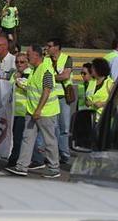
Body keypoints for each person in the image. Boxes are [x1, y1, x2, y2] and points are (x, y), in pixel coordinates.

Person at [6, 44, 61, 179]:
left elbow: (46, 91)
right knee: (27, 138)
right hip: (32, 111)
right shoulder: (35, 69)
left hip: (45, 112)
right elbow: (33, 89)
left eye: (29, 54)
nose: (27, 56)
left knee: (49, 140)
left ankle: (54, 167)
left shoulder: (45, 70)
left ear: (36, 55)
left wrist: (39, 109)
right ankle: (22, 166)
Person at [45, 38, 71, 166]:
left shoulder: (67, 58)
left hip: (64, 96)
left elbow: (66, 75)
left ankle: (64, 153)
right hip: (52, 96)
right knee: (53, 127)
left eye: (49, 46)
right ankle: (54, 153)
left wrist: (51, 77)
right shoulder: (46, 60)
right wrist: (56, 77)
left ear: (57, 47)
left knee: (64, 127)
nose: (47, 48)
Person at [9, 52, 32, 167]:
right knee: (14, 137)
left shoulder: (30, 74)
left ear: (27, 63)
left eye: (22, 62)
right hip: (12, 112)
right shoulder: (14, 74)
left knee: (19, 138)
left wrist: (18, 81)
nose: (19, 64)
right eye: (17, 62)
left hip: (24, 111)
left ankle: (14, 160)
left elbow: (29, 87)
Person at [87, 57, 115, 123]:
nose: (91, 69)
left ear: (98, 69)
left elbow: (117, 101)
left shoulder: (109, 83)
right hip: (91, 119)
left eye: (93, 68)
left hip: (104, 120)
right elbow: (88, 98)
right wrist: (88, 102)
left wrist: (102, 104)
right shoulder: (91, 82)